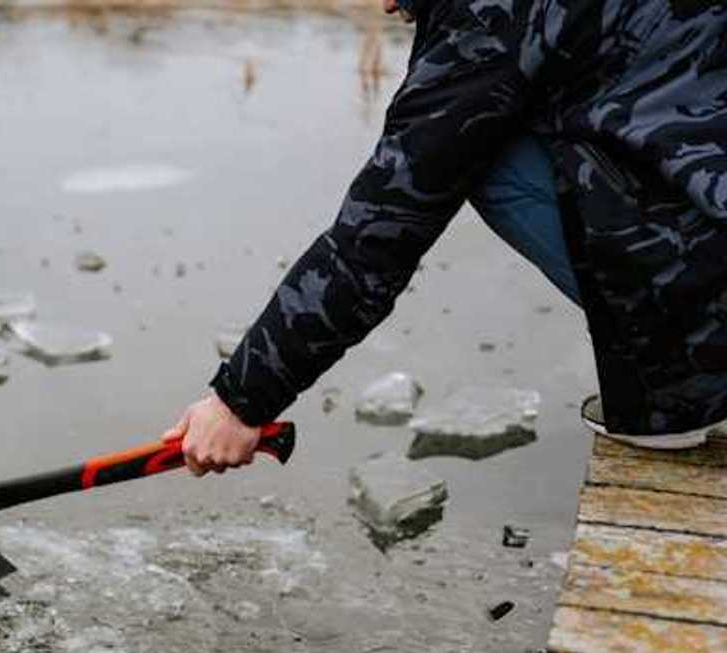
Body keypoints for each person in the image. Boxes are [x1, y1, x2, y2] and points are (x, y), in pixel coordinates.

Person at [165, 0, 727, 475]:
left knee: (482, 152)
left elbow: (378, 234)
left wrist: (238, 402)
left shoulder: (488, 15)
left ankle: (690, 364)